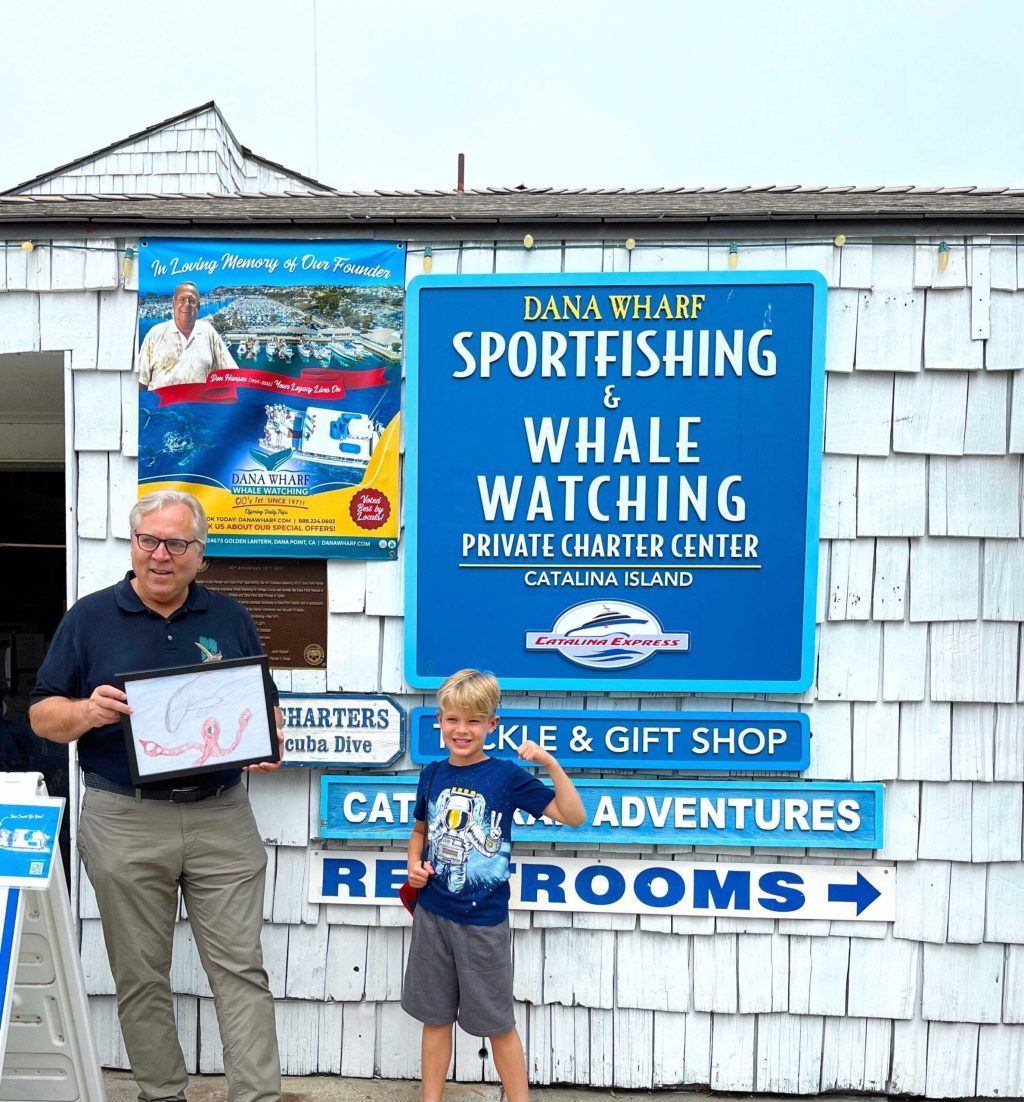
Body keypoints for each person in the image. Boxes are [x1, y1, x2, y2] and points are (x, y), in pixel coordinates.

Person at [29, 490, 281, 1102]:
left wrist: (266, 736)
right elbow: (41, 715)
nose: (161, 555)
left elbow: (263, 702)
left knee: (240, 970)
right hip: (124, 817)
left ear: (200, 555)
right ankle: (162, 1092)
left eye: (176, 544)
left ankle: (257, 1096)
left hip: (221, 814)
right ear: (133, 546)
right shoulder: (89, 618)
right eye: (149, 541)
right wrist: (87, 712)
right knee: (140, 974)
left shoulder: (229, 617)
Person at [401, 669, 585, 1102]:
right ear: (439, 721)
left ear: (491, 724)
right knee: (435, 1019)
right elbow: (420, 832)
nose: (461, 730)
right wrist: (413, 866)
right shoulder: (431, 774)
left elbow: (573, 816)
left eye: (473, 721)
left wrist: (550, 764)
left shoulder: (506, 776)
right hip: (432, 916)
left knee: (499, 1024)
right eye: (452, 719)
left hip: (483, 923)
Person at [138, 281, 234, 390]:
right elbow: (140, 382)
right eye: (182, 299)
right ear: (173, 304)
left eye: (192, 301)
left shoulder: (208, 332)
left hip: (200, 401)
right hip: (161, 401)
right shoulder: (155, 333)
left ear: (198, 306)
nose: (187, 304)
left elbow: (231, 373)